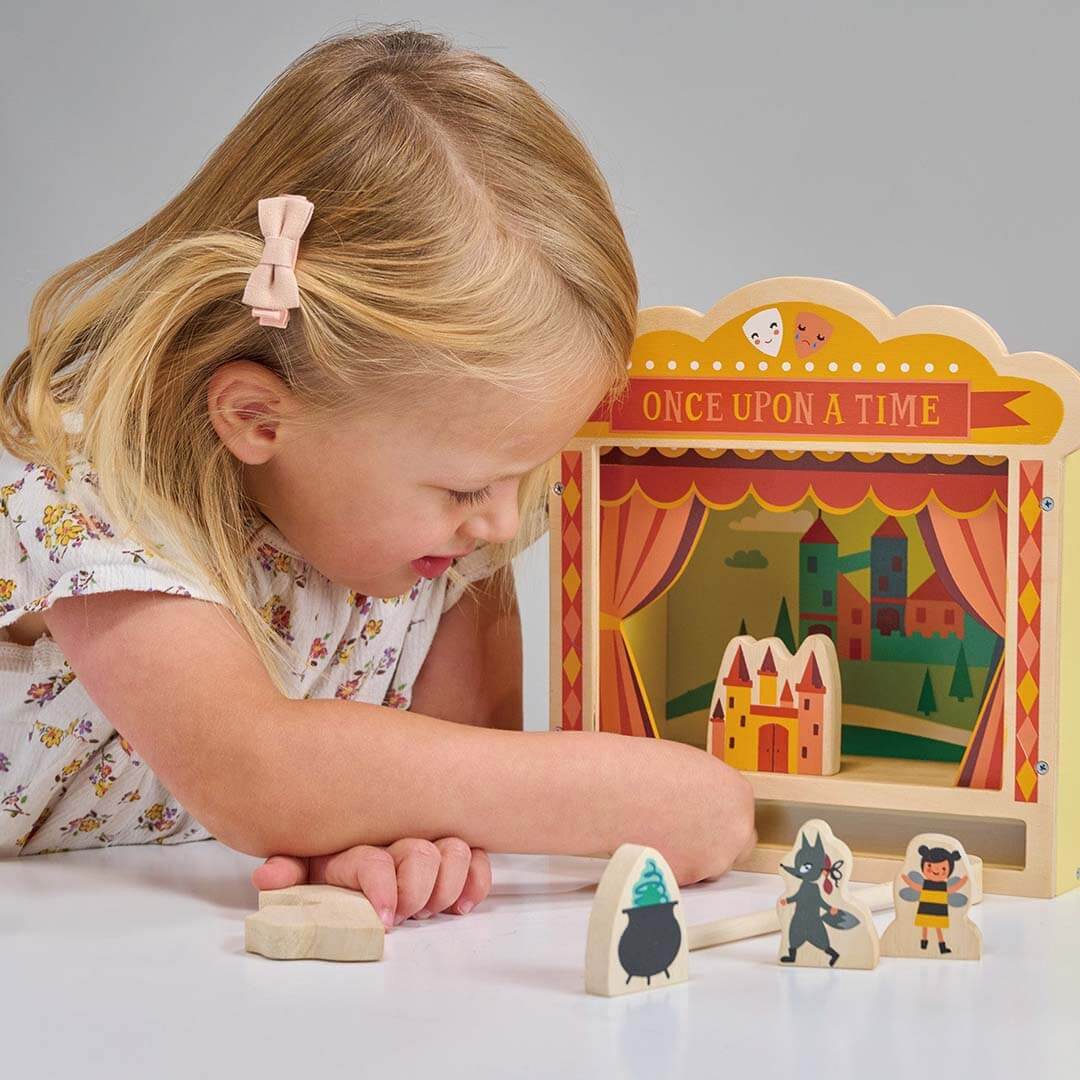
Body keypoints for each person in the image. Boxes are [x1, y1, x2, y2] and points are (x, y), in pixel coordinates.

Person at [0, 26, 754, 930]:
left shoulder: (452, 531)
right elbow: (256, 773)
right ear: (258, 419)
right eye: (467, 487)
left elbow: (455, 762)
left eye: (525, 473)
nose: (500, 521)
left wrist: (384, 836)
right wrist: (651, 796)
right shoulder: (96, 493)